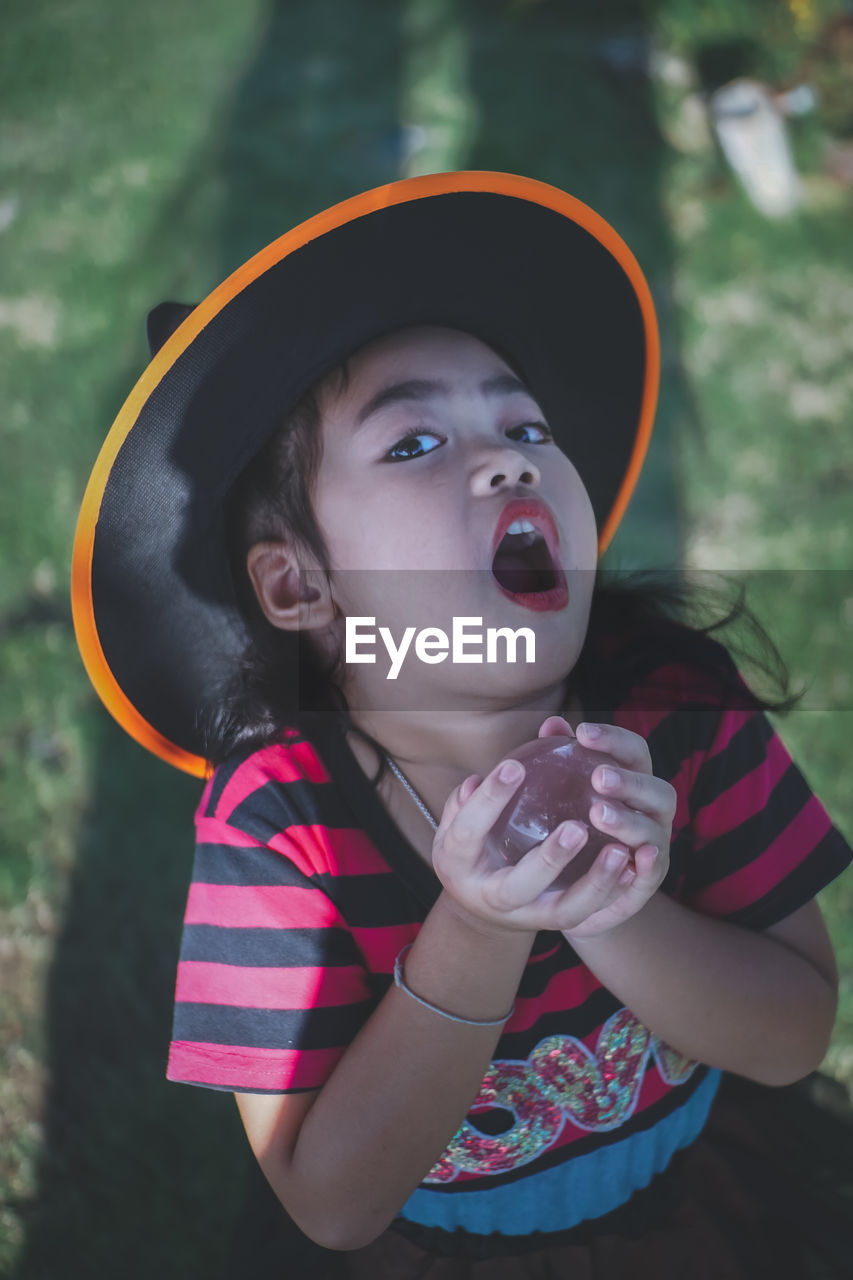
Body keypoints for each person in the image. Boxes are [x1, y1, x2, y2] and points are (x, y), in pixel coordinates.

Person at [72, 173, 852, 1277]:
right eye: (412, 444)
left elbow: (791, 1033)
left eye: (522, 420)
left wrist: (613, 910)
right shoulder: (280, 821)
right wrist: (482, 927)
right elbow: (332, 1200)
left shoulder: (674, 708)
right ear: (298, 587)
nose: (508, 454)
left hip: (699, 1200)